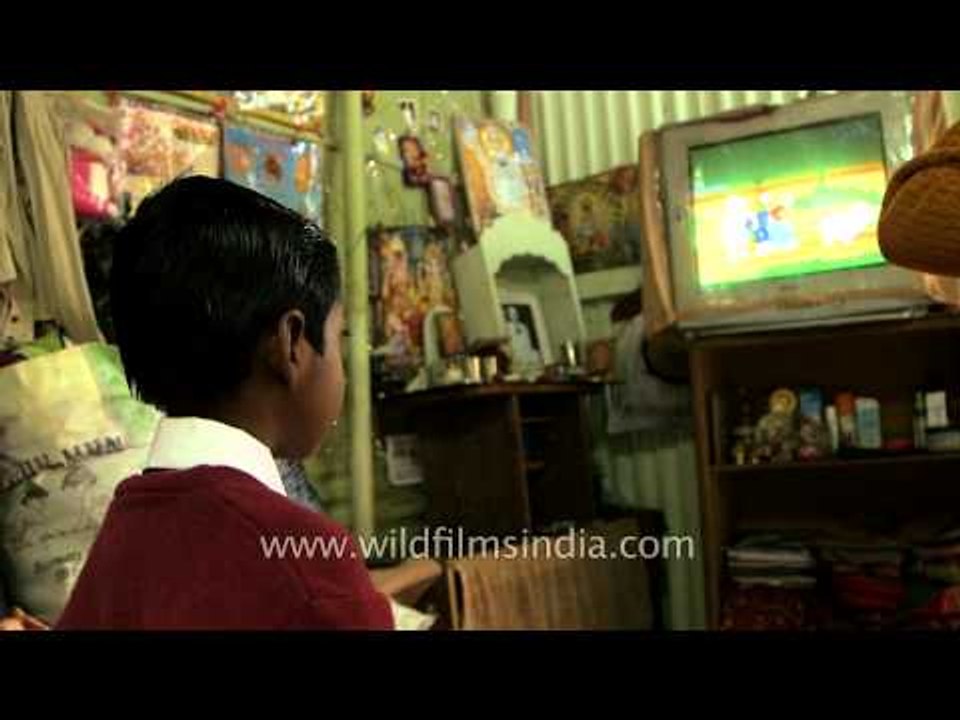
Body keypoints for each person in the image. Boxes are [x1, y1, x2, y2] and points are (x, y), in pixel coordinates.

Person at [57, 176, 393, 630]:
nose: (343, 371)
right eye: (338, 339)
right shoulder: (309, 565)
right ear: (292, 342)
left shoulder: (121, 536)